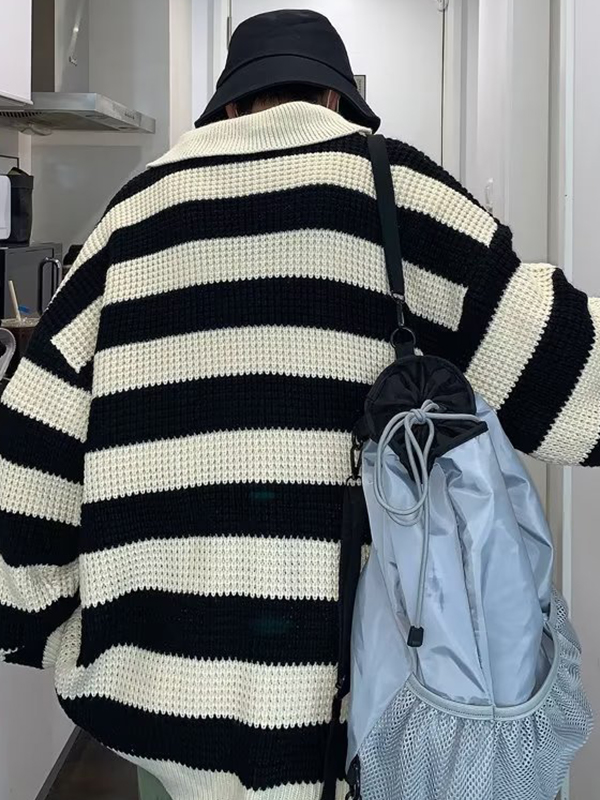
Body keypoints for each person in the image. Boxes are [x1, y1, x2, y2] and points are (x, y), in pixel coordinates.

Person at [0, 9, 598, 800]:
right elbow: (577, 384)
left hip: (167, 725)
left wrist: (58, 635)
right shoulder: (401, 192)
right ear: (336, 98)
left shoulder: (134, 217)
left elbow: (23, 463)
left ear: (228, 107)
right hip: (366, 729)